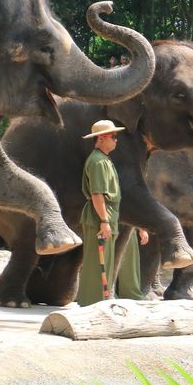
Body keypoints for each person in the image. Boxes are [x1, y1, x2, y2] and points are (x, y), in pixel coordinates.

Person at [78, 119, 124, 306]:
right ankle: (91, 305)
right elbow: (97, 195)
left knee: (104, 263)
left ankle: (97, 303)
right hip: (99, 218)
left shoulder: (103, 159)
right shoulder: (98, 161)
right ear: (102, 138)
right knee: (97, 265)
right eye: (113, 136)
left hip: (106, 216)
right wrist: (104, 221)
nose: (116, 140)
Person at [115, 227, 150, 300]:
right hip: (107, 223)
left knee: (129, 260)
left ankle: (131, 295)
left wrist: (141, 228)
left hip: (127, 226)